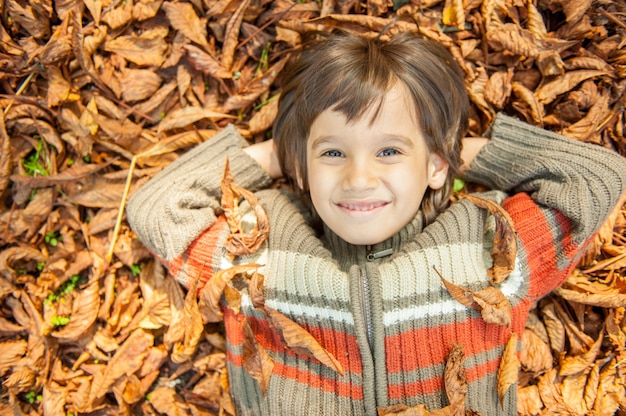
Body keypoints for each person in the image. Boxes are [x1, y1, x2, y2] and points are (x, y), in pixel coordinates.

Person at [127, 31, 626, 416]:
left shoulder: (488, 246)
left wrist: (449, 155)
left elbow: (596, 177)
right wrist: (284, 155)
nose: (359, 177)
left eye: (389, 150)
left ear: (433, 167)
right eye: (333, 152)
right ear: (302, 165)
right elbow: (157, 208)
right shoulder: (257, 249)